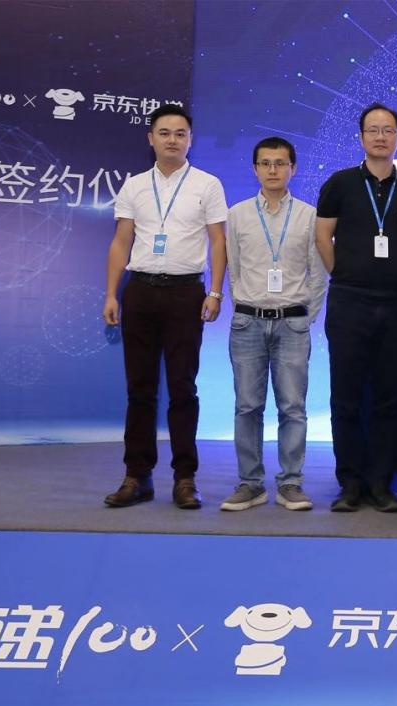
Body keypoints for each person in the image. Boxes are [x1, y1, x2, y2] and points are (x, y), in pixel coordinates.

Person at [102, 103, 227, 510]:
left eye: (180, 133)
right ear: (150, 138)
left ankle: (185, 478)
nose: (172, 140)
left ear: (190, 140)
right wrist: (110, 293)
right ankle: (137, 476)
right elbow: (121, 241)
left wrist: (216, 292)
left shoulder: (207, 184)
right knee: (139, 389)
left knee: (182, 389)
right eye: (164, 132)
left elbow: (218, 241)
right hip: (139, 292)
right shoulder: (135, 185)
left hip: (185, 294)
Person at [315, 103, 397, 513]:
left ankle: (381, 483)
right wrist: (344, 274)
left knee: (390, 397)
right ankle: (350, 483)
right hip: (349, 301)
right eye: (373, 130)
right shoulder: (340, 183)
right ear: (360, 138)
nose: (380, 137)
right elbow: (322, 236)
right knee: (346, 396)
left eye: (388, 130)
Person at [219, 136, 324, 512]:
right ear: (255, 169)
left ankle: (291, 482)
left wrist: (305, 317)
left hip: (292, 323)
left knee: (292, 407)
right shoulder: (237, 214)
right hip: (248, 322)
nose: (273, 170)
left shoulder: (309, 215)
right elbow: (233, 269)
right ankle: (250, 483)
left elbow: (318, 273)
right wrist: (245, 305)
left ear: (293, 168)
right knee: (247, 407)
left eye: (281, 163)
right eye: (265, 163)